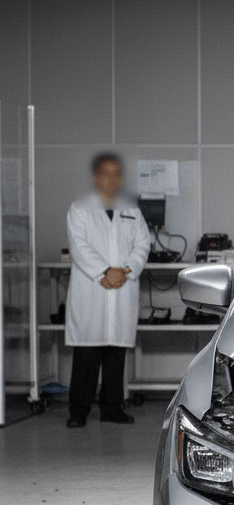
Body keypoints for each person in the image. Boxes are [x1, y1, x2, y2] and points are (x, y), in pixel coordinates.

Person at [65, 153, 152, 427]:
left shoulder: (131, 210)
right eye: (106, 173)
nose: (111, 179)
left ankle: (112, 409)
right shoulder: (79, 208)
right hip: (93, 288)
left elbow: (143, 244)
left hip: (121, 285)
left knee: (116, 354)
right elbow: (78, 246)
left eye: (117, 174)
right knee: (87, 354)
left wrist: (125, 270)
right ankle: (78, 412)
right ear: (95, 177)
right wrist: (104, 272)